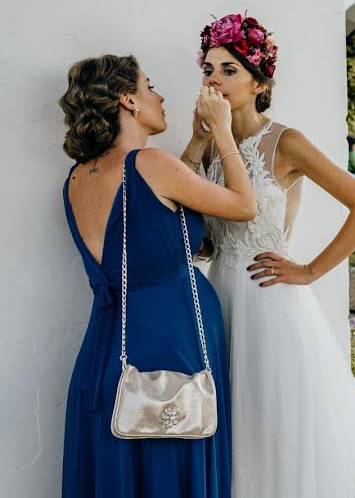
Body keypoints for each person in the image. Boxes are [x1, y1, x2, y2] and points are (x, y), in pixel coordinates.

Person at [182, 14, 355, 496]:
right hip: (217, 298)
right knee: (230, 421)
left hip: (268, 299)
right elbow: (193, 222)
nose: (214, 79)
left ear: (259, 82)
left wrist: (310, 270)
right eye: (209, 69)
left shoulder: (284, 142)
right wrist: (200, 139)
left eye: (229, 70)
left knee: (278, 423)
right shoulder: (208, 147)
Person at [60, 55, 256, 496]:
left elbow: (161, 210)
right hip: (170, 346)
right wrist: (223, 132)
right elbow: (245, 206)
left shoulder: (78, 177)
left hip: (107, 347)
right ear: (129, 100)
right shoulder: (150, 163)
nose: (161, 96)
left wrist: (195, 140)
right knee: (171, 469)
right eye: (151, 86)